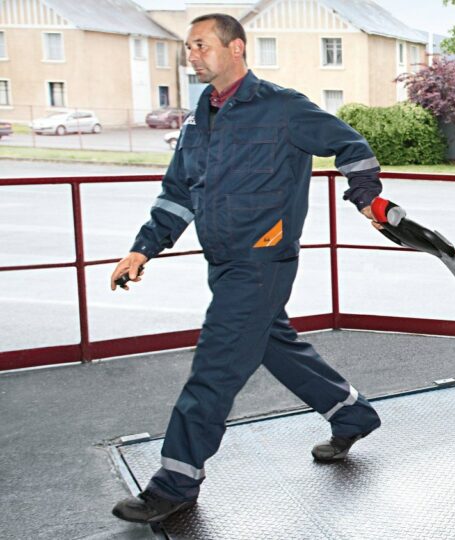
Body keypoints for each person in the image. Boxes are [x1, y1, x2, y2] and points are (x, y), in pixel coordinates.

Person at [110, 13, 383, 524]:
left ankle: (176, 482)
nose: (192, 55)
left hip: (263, 260)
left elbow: (352, 145)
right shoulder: (200, 119)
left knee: (214, 368)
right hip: (223, 260)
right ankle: (352, 414)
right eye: (189, 47)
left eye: (202, 45)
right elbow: (178, 193)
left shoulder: (282, 108)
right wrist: (143, 248)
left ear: (235, 47)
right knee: (272, 343)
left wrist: (365, 195)